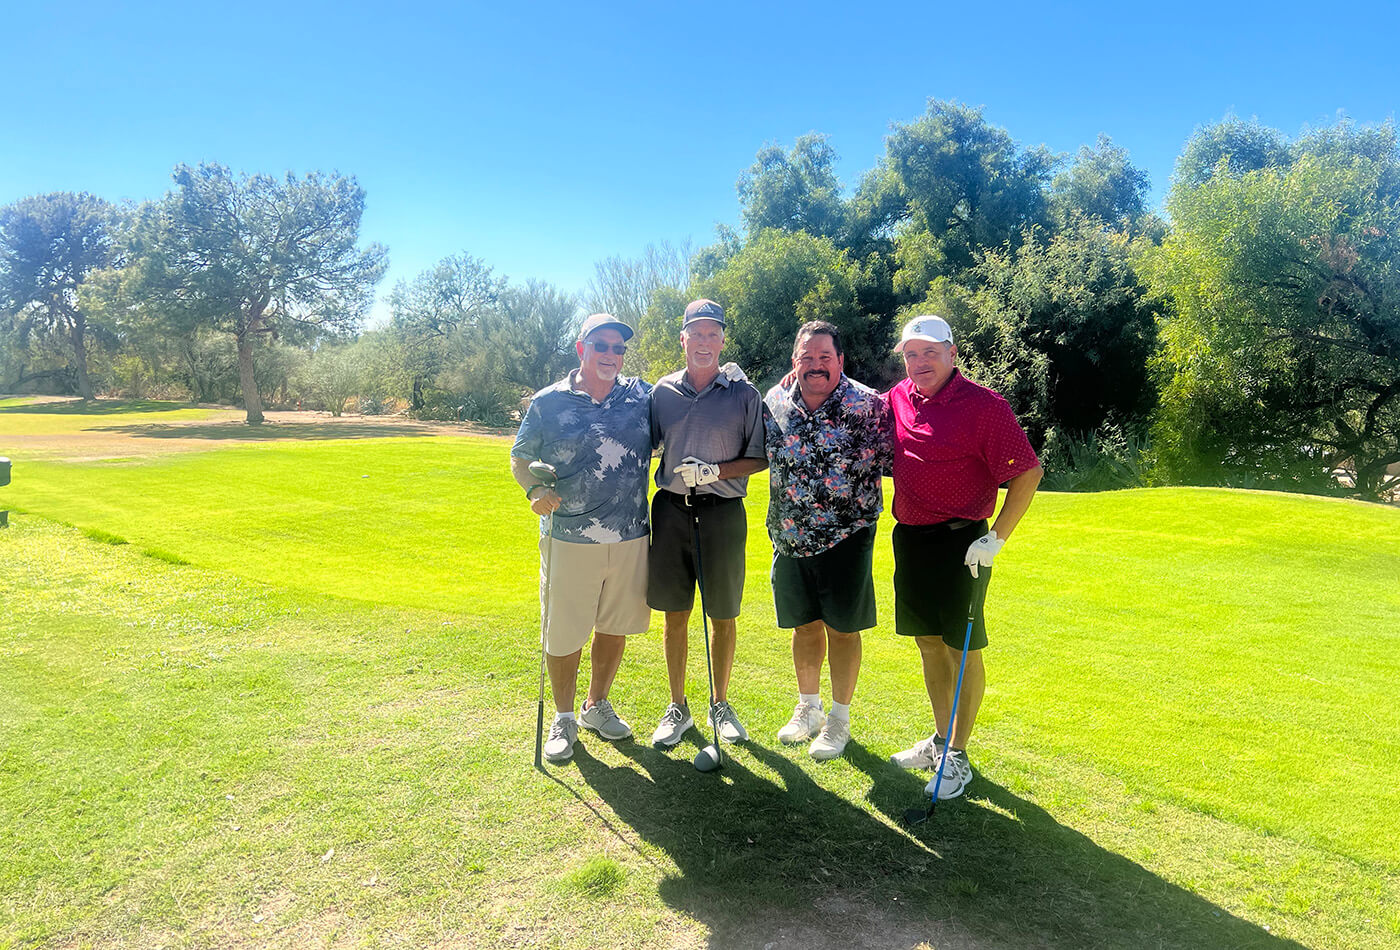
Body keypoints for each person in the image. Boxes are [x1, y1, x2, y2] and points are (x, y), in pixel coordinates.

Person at [885, 315, 1043, 800]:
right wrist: (791, 374)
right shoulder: (896, 398)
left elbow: (1027, 472)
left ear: (953, 353)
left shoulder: (984, 406)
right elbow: (843, 400)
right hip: (911, 539)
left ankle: (958, 755)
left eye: (930, 352)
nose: (920, 362)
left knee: (962, 647)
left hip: (964, 544)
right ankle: (941, 739)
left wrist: (995, 537)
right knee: (929, 644)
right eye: (911, 354)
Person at [511, 313, 653, 762]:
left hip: (630, 535)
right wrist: (534, 490)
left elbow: (688, 394)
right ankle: (565, 716)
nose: (611, 355)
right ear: (581, 349)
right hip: (568, 535)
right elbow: (520, 455)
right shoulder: (548, 402)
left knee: (615, 626)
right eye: (601, 346)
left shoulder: (641, 395)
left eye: (618, 348)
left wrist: (730, 373)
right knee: (564, 632)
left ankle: (596, 704)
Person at [763, 321, 892, 760]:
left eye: (824, 358)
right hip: (790, 536)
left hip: (847, 536)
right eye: (806, 358)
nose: (815, 366)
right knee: (803, 626)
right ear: (794, 362)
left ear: (840, 360)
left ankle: (839, 719)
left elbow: (903, 457)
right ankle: (809, 709)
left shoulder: (868, 405)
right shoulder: (775, 401)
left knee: (842, 629)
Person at [647, 298, 768, 748]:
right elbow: (640, 437)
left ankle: (720, 703)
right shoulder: (661, 392)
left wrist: (715, 472)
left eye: (711, 333)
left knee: (722, 615)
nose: (703, 342)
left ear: (722, 340)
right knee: (675, 613)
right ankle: (678, 707)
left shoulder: (744, 394)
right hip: (672, 511)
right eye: (695, 333)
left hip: (722, 515)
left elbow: (758, 457)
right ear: (682, 340)